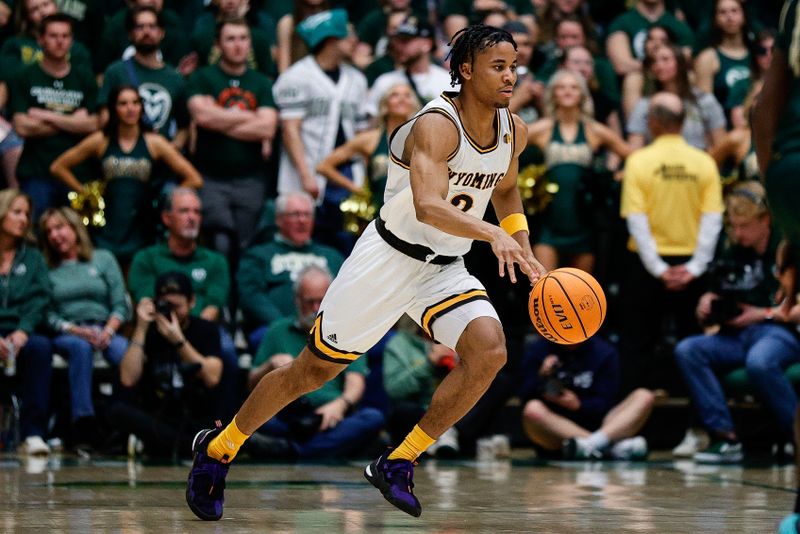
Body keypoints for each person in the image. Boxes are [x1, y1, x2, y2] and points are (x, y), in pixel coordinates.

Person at [186, 24, 545, 521]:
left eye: (513, 66)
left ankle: (398, 460)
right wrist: (493, 236)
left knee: (489, 351)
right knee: (310, 373)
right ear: (466, 70)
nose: (510, 77)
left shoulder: (513, 129)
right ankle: (220, 447)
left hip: (445, 267)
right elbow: (427, 205)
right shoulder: (436, 124)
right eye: (498, 67)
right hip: (388, 259)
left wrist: (523, 248)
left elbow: (505, 189)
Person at [673, 181, 797, 464]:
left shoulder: (787, 245)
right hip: (736, 334)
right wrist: (707, 302)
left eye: (744, 226)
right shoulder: (732, 247)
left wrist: (762, 313)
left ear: (765, 220)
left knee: (760, 361)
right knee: (689, 350)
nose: (737, 233)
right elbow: (720, 292)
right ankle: (725, 437)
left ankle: (795, 437)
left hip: (778, 330)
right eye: (734, 226)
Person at [619, 93, 723, 393]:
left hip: (645, 265)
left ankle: (630, 424)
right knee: (694, 342)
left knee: (637, 343)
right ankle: (697, 424)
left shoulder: (639, 161)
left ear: (652, 122)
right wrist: (695, 267)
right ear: (682, 122)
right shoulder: (704, 162)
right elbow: (712, 218)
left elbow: (636, 219)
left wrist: (658, 268)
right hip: (691, 263)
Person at [49, 85, 202, 267]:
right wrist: (84, 193)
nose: (130, 108)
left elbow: (194, 178)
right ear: (114, 108)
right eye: (123, 103)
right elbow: (58, 167)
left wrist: (167, 200)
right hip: (106, 223)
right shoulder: (101, 140)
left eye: (135, 103)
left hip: (142, 223)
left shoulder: (155, 143)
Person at [246, 265, 385, 460]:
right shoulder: (278, 330)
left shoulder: (346, 331)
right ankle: (318, 449)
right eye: (309, 302)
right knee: (251, 418)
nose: (315, 309)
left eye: (321, 301)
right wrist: (270, 365)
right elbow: (252, 385)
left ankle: (291, 451)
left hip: (329, 417)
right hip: (287, 413)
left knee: (372, 418)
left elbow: (356, 382)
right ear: (297, 301)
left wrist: (340, 404)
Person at [126, 187, 237, 420]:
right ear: (167, 218)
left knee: (226, 351)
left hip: (200, 329)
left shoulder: (215, 261)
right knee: (131, 351)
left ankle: (226, 427)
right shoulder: (146, 258)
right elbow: (147, 302)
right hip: (156, 326)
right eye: (184, 211)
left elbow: (213, 308)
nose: (192, 217)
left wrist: (185, 333)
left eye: (197, 212)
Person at [272, 9, 367, 253]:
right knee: (305, 244)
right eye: (349, 35)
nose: (354, 41)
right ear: (331, 39)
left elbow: (361, 132)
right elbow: (290, 131)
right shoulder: (296, 76)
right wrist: (305, 175)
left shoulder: (357, 79)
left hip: (346, 174)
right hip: (306, 172)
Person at [39, 206, 130, 448]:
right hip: (68, 332)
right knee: (80, 348)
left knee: (127, 354)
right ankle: (84, 423)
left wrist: (108, 331)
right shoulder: (47, 270)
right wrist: (75, 330)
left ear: (75, 227)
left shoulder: (103, 258)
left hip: (105, 328)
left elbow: (121, 303)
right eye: (49, 232)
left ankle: (121, 420)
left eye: (59, 227)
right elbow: (46, 314)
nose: (55, 235)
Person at [187, 17, 277, 257]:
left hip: (251, 179)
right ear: (218, 44)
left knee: (247, 246)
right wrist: (250, 117)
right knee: (220, 243)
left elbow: (267, 128)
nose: (238, 45)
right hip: (211, 178)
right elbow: (201, 116)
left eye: (243, 38)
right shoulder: (202, 77)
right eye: (230, 39)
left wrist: (218, 118)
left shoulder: (261, 83)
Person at [109, 271, 222, 458]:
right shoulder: (148, 331)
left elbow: (212, 377)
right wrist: (141, 327)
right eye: (166, 305)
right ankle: (183, 446)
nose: (172, 312)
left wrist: (178, 340)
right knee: (117, 410)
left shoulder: (205, 329)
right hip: (158, 415)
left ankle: (163, 444)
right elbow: (128, 379)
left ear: (191, 302)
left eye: (177, 306)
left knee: (221, 422)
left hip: (195, 416)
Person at [527, 69, 631, 273]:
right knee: (543, 287)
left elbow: (634, 158)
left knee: (581, 295)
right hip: (550, 220)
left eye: (574, 87)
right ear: (553, 94)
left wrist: (615, 179)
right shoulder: (542, 128)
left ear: (582, 94)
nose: (567, 92)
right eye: (562, 87)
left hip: (584, 221)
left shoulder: (594, 130)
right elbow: (505, 142)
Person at [8, 13, 99, 223]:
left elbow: (94, 124)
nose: (60, 41)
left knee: (78, 237)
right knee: (34, 235)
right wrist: (73, 121)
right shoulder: (24, 76)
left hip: (77, 173)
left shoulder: (84, 77)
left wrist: (44, 115)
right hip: (36, 171)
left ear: (72, 40)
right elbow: (21, 126)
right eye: (53, 35)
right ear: (40, 40)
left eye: (65, 36)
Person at [237, 191, 344, 349]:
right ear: (278, 219)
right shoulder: (258, 256)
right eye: (295, 214)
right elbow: (251, 295)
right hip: (275, 329)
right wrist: (286, 326)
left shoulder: (332, 256)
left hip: (328, 332)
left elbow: (345, 294)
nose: (302, 220)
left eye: (307, 215)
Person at [520, 337, 654, 460]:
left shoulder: (604, 351)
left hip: (602, 425)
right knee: (532, 409)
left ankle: (592, 445)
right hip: (556, 432)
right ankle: (610, 449)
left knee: (644, 396)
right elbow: (523, 396)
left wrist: (579, 405)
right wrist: (540, 375)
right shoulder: (539, 349)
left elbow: (607, 402)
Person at [0, 189, 52, 456]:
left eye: (27, 214)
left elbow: (41, 298)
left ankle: (34, 433)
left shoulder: (32, 257)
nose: (24, 219)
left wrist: (23, 330)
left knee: (41, 347)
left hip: (22, 328)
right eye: (17, 212)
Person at [317, 83, 421, 214]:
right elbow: (323, 166)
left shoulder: (424, 138)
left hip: (414, 213)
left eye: (407, 95)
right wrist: (357, 189)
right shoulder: (370, 139)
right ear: (385, 104)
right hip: (380, 213)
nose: (402, 99)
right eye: (395, 95)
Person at [97, 6, 190, 148]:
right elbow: (104, 118)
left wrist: (170, 152)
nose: (146, 32)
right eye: (139, 27)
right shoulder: (115, 71)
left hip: (161, 158)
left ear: (162, 33)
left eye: (152, 27)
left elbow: (184, 128)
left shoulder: (175, 78)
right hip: (122, 155)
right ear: (130, 34)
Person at [626, 45, 727, 151]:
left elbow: (720, 144)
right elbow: (634, 148)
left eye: (665, 60)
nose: (659, 66)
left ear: (680, 63)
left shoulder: (704, 100)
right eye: (654, 62)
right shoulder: (645, 104)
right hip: (659, 163)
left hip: (697, 162)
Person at [365, 17, 451, 118]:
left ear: (427, 44)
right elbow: (372, 123)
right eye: (398, 40)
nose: (399, 46)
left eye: (406, 41)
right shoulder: (385, 81)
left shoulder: (447, 82)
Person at [692, 0, 753, 127]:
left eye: (734, 11)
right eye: (722, 12)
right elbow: (704, 108)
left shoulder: (759, 53)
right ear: (715, 19)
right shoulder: (708, 58)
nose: (729, 17)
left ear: (744, 15)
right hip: (723, 131)